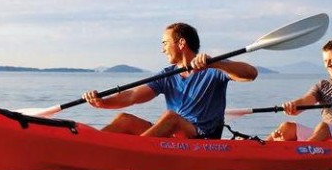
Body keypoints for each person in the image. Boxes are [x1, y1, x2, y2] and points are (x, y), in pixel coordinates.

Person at [83, 22, 257, 138]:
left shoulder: (213, 68)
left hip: (201, 137)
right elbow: (132, 96)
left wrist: (216, 63)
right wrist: (102, 102)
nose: (163, 49)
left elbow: (251, 74)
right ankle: (90, 147)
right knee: (124, 119)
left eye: (165, 43)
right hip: (173, 135)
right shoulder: (168, 75)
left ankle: (135, 152)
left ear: (181, 43)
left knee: (171, 117)